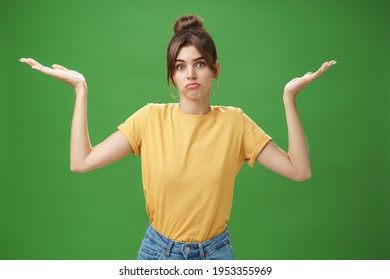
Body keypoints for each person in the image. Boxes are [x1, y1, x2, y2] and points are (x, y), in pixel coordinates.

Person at [20, 14, 336, 260]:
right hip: (157, 254)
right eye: (181, 66)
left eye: (200, 64)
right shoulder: (149, 118)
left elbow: (299, 170)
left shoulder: (236, 123)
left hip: (215, 255)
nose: (191, 74)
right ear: (172, 74)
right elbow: (81, 161)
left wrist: (289, 98)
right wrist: (80, 89)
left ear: (215, 69)